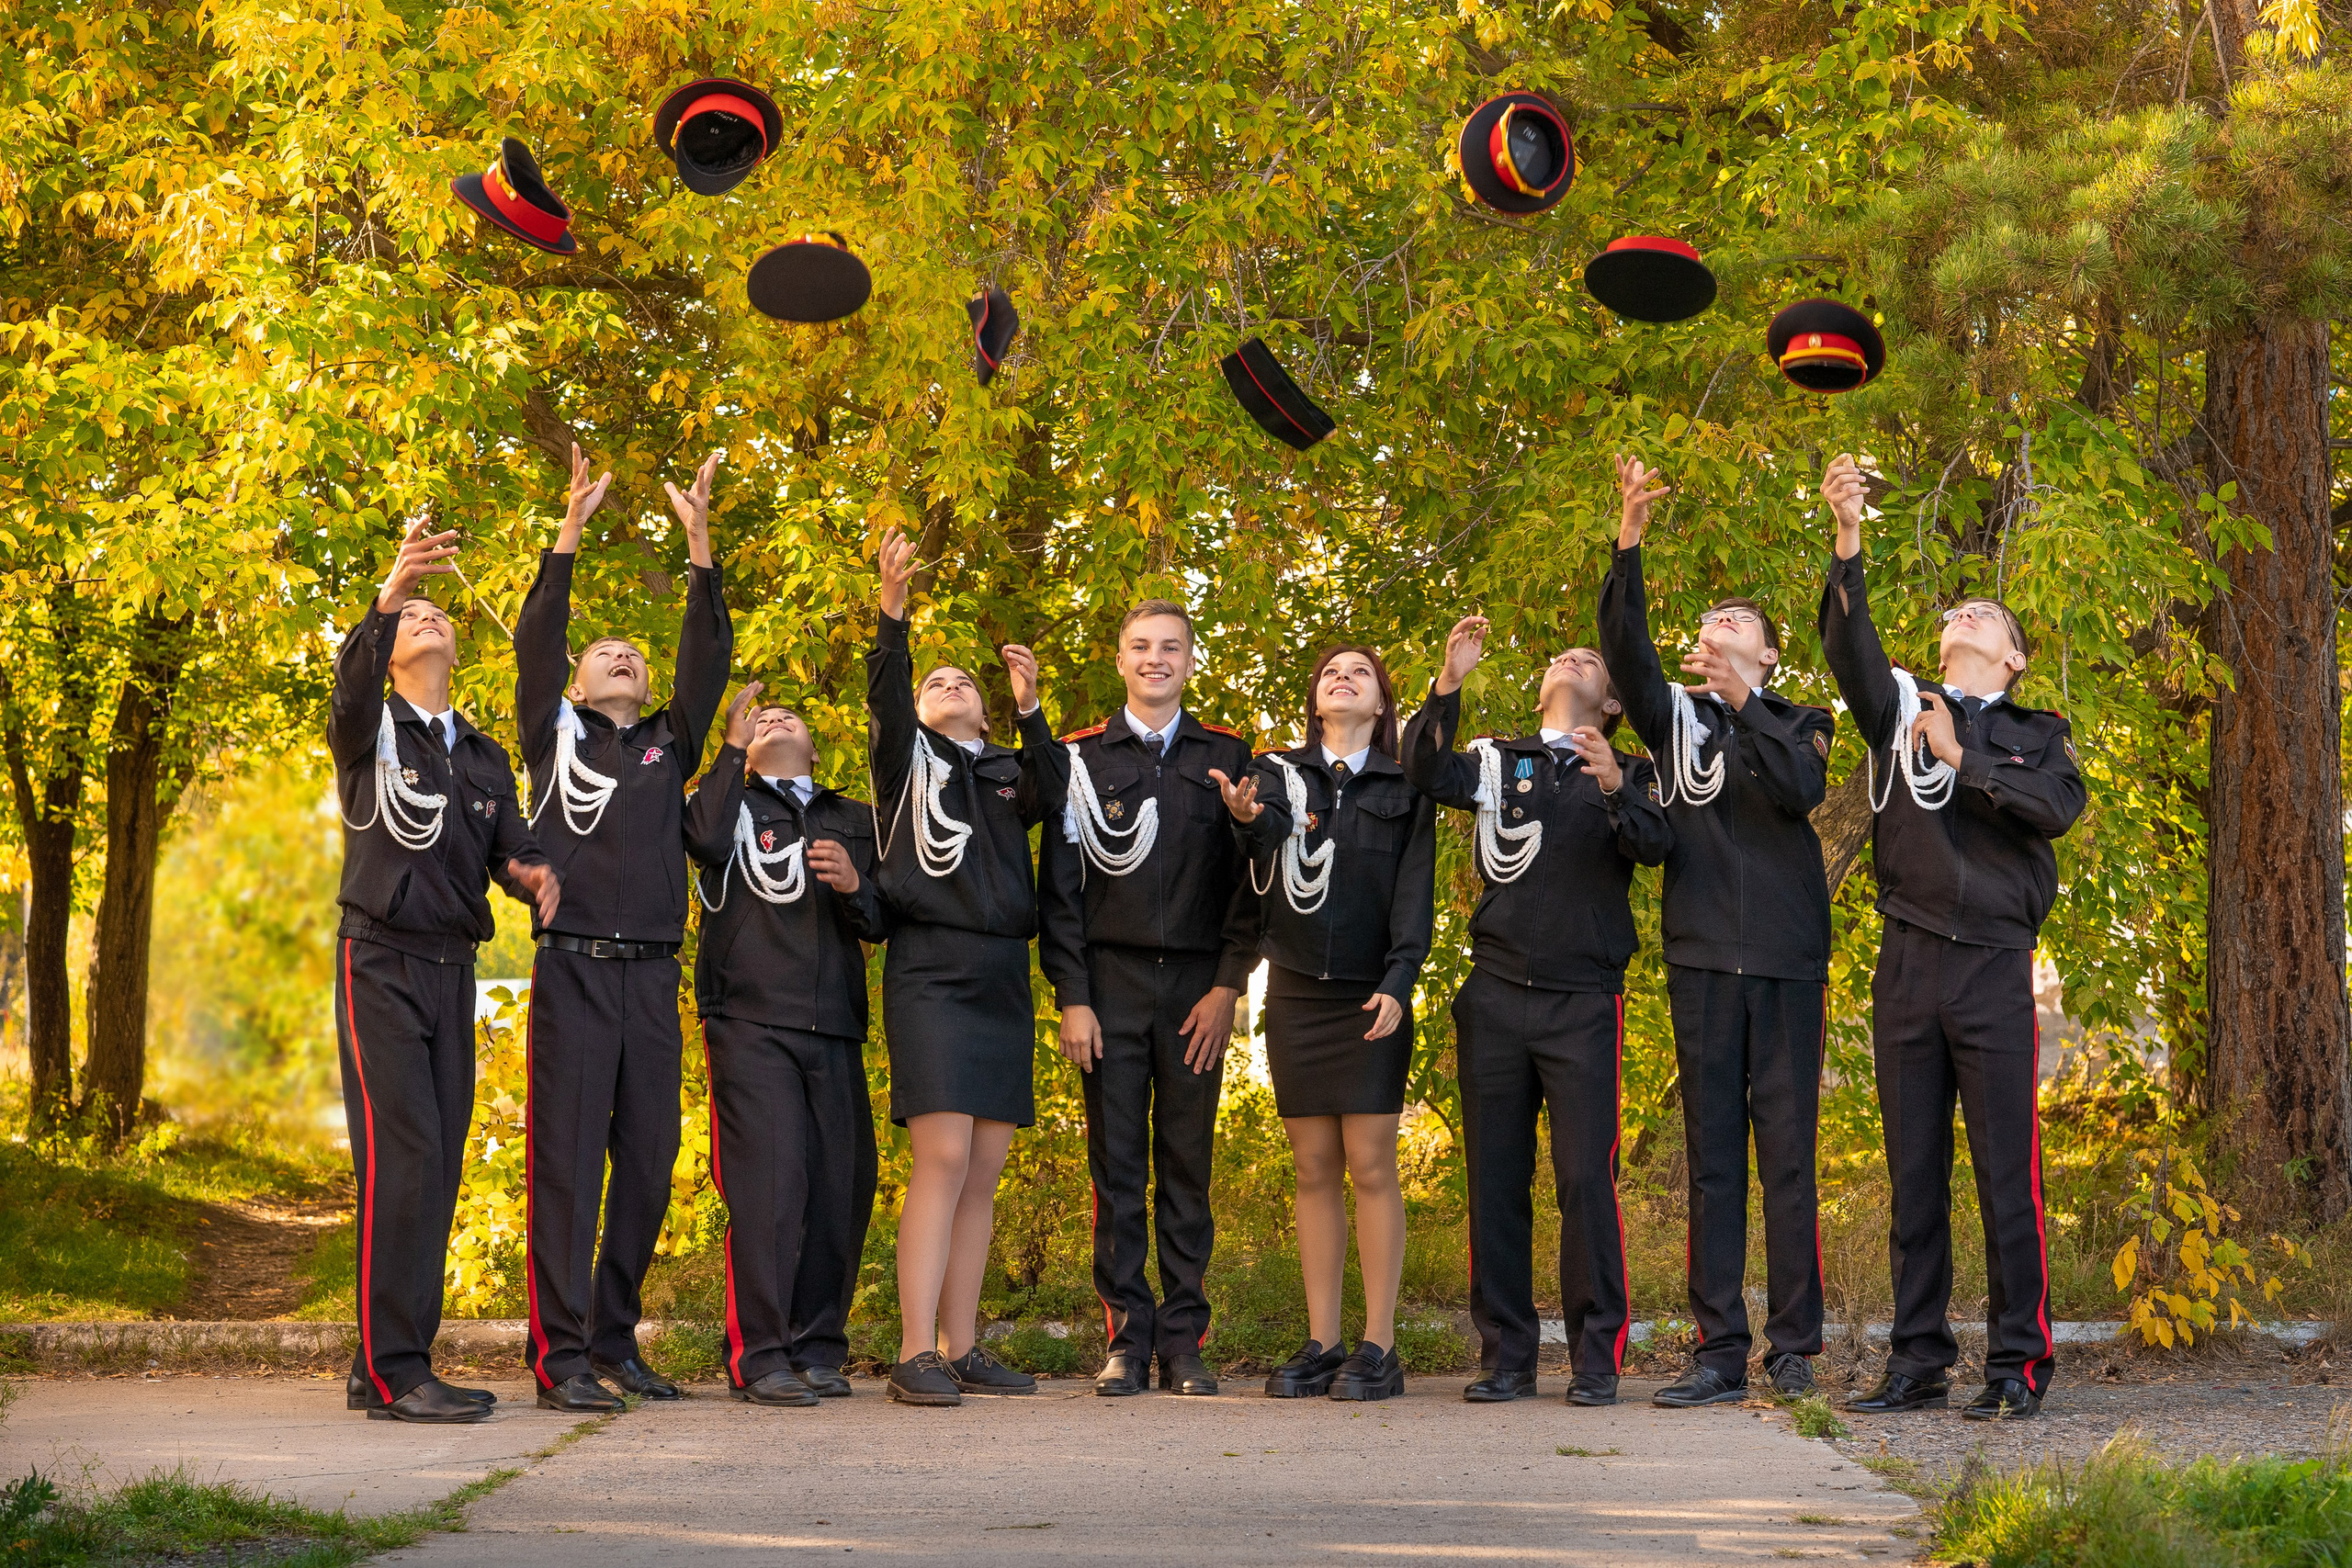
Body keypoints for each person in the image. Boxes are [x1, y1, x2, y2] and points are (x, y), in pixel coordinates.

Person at [1816, 454, 2086, 1422]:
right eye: (1955, 612)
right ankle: (1915, 1360)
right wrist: (1848, 539)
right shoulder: (1898, 711)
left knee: (2005, 1178)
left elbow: (2053, 811)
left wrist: (1965, 759)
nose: (1963, 616)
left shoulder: (2035, 731)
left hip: (1992, 967)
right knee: (1912, 1174)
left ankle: (2017, 1366)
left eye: (1987, 617)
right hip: (1907, 962)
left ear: (2013, 659)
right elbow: (1851, 650)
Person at [1597, 455, 1836, 1408]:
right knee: (1711, 1162)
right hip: (1699, 961)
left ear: (1769, 655)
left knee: (1786, 1156)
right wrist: (1628, 540)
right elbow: (1624, 652)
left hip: (1785, 963)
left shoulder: (1799, 719)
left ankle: (1792, 1351)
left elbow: (1799, 790)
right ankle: (1714, 1348)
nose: (1721, 632)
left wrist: (1741, 700)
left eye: (1741, 625)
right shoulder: (1673, 726)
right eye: (1711, 624)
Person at [1401, 620, 1672, 1407]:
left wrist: (1617, 785)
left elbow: (1658, 847)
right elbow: (1425, 769)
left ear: (1613, 699)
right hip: (1493, 996)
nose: (1571, 659)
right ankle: (1508, 1353)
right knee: (1496, 1179)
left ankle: (1595, 1356)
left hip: (1582, 1000)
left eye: (1589, 658)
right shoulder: (1499, 757)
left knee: (1586, 1177)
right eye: (1562, 656)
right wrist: (1446, 684)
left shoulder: (1632, 768)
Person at [514, 446, 733, 1413]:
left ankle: (613, 1339)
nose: (623, 657)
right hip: (571, 975)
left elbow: (708, 660)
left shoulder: (666, 744)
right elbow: (534, 642)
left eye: (633, 655)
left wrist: (699, 542)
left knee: (646, 1165)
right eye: (606, 651)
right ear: (577, 680)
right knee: (566, 1168)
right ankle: (558, 1358)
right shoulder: (549, 732)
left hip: (651, 978)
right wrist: (566, 534)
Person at [330, 517, 560, 1424]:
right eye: (408, 618)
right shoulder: (370, 729)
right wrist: (388, 591)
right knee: (404, 1158)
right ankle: (397, 1372)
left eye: (434, 611)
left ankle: (376, 1364)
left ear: (457, 645)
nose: (426, 618)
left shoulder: (482, 755)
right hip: (379, 959)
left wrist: (532, 873)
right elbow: (347, 686)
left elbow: (511, 848)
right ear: (390, 653)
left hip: (450, 968)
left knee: (437, 1164)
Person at [865, 527, 1064, 1408]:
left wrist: (1030, 706)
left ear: (986, 714)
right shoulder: (904, 764)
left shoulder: (1006, 772)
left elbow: (1056, 792)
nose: (950, 687)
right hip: (931, 971)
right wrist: (893, 614)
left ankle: (965, 1343)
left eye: (965, 683)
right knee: (941, 1155)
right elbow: (884, 698)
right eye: (933, 682)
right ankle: (914, 1351)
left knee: (983, 1166)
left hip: (999, 977)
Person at [1039, 601, 1256, 1399]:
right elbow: (1059, 891)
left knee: (1187, 1168)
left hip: (1197, 991)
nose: (1155, 658)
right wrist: (1073, 995)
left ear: (1190, 661)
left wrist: (1228, 986)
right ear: (1120, 659)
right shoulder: (1080, 760)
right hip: (1111, 987)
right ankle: (1128, 1338)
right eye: (1141, 647)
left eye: (1171, 647)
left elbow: (1249, 889)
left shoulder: (1228, 756)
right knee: (1118, 1165)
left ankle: (1184, 1340)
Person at [1213, 646, 1435, 1403]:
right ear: (1315, 698)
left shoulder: (1408, 782)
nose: (1342, 677)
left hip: (1373, 995)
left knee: (1371, 1164)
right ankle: (1324, 1340)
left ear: (1381, 704)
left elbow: (1415, 889)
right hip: (1298, 995)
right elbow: (1262, 833)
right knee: (1312, 1168)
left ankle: (1380, 1345)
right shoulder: (1277, 772)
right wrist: (1246, 818)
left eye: (1360, 672)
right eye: (1330, 671)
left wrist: (1401, 980)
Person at [684, 682, 891, 1406]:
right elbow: (702, 841)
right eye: (759, 717)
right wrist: (730, 748)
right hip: (747, 1018)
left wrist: (856, 884)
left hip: (833, 1022)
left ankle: (818, 1346)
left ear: (814, 745)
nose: (773, 718)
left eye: (786, 715)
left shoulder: (852, 817)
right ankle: (760, 1353)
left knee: (841, 1187)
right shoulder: (728, 801)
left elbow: (882, 916)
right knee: (770, 1188)